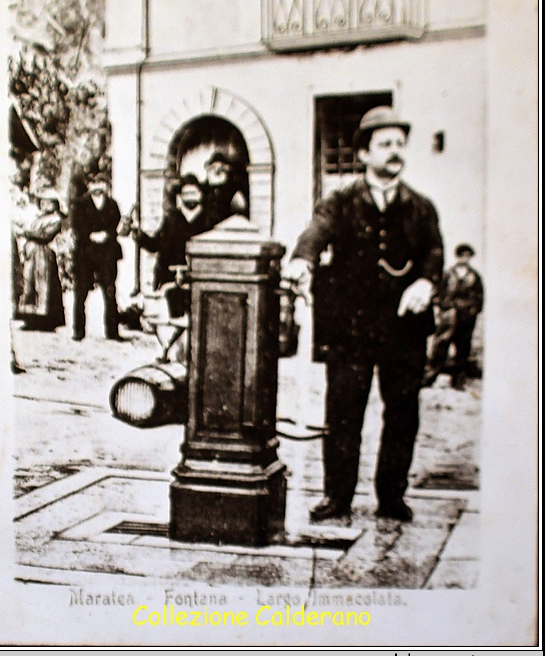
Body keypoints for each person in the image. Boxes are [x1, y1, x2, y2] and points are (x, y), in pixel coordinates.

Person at [285, 106, 444, 524]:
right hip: (349, 328)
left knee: (402, 414)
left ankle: (391, 497)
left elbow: (434, 254)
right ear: (364, 154)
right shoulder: (339, 202)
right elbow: (315, 232)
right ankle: (336, 497)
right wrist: (302, 260)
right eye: (385, 144)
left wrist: (426, 284)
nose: (395, 152)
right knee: (343, 414)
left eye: (399, 144)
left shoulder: (421, 208)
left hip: (403, 330)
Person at [130, 174, 210, 316]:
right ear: (180, 196)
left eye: (194, 193)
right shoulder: (172, 220)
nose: (190, 197)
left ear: (201, 195)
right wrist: (139, 234)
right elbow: (157, 245)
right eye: (186, 193)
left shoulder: (209, 220)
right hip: (171, 279)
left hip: (199, 277)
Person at [423, 243, 484, 390]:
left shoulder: (474, 276)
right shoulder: (448, 274)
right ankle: (429, 378)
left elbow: (479, 297)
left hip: (466, 318)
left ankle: (458, 381)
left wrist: (472, 310)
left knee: (463, 349)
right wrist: (443, 307)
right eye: (462, 255)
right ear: (457, 256)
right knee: (440, 346)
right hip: (449, 316)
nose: (465, 258)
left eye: (467, 256)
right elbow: (438, 293)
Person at [71, 173, 123, 341]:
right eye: (94, 183)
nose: (98, 186)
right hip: (85, 253)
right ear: (89, 185)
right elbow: (76, 226)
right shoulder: (80, 204)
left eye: (102, 183)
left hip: (107, 253)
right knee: (80, 292)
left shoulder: (112, 205)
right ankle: (78, 331)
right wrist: (90, 235)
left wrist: (106, 234)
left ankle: (112, 332)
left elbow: (115, 223)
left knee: (109, 291)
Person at [14, 188, 65, 332]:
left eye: (48, 202)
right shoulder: (38, 218)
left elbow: (45, 236)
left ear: (54, 204)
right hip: (33, 254)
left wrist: (27, 233)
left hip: (45, 254)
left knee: (44, 285)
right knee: (29, 283)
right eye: (42, 202)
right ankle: (30, 318)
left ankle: (46, 318)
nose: (44, 204)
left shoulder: (55, 219)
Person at [203, 151, 248, 227]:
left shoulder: (234, 192)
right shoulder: (203, 190)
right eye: (213, 167)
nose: (217, 171)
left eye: (221, 167)